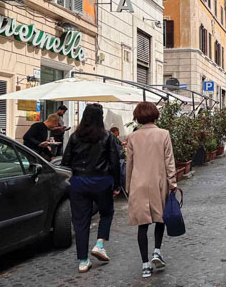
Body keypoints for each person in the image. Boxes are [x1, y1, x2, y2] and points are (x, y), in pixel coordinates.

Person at [61, 104, 120, 273]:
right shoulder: (107, 136)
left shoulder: (74, 137)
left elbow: (66, 162)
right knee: (107, 212)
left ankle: (83, 261)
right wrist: (116, 184)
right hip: (101, 181)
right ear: (100, 118)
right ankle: (100, 244)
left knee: (80, 221)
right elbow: (114, 162)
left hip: (79, 182)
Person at [126, 102, 177, 278]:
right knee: (160, 219)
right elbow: (169, 161)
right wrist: (173, 182)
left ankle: (145, 265)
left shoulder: (132, 137)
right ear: (155, 115)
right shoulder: (163, 134)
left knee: (142, 225)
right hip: (159, 183)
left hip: (138, 184)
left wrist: (128, 187)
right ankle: (156, 251)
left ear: (138, 117)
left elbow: (129, 164)